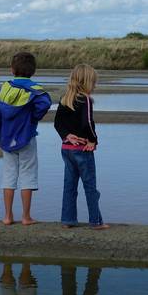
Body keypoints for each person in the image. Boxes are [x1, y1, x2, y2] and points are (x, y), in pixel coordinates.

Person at [0, 51, 52, 225]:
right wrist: (32, 117)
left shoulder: (3, 88)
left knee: (8, 176)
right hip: (26, 137)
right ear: (33, 71)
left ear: (12, 70)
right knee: (28, 175)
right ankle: (26, 216)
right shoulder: (35, 89)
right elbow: (45, 102)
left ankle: (7, 216)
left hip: (6, 139)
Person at [54, 64, 109, 230]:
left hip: (67, 149)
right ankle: (95, 221)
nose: (95, 86)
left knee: (69, 186)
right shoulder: (85, 99)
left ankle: (67, 220)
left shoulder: (65, 98)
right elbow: (88, 123)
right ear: (86, 82)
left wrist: (66, 136)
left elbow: (57, 122)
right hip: (82, 150)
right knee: (90, 187)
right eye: (93, 82)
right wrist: (94, 140)